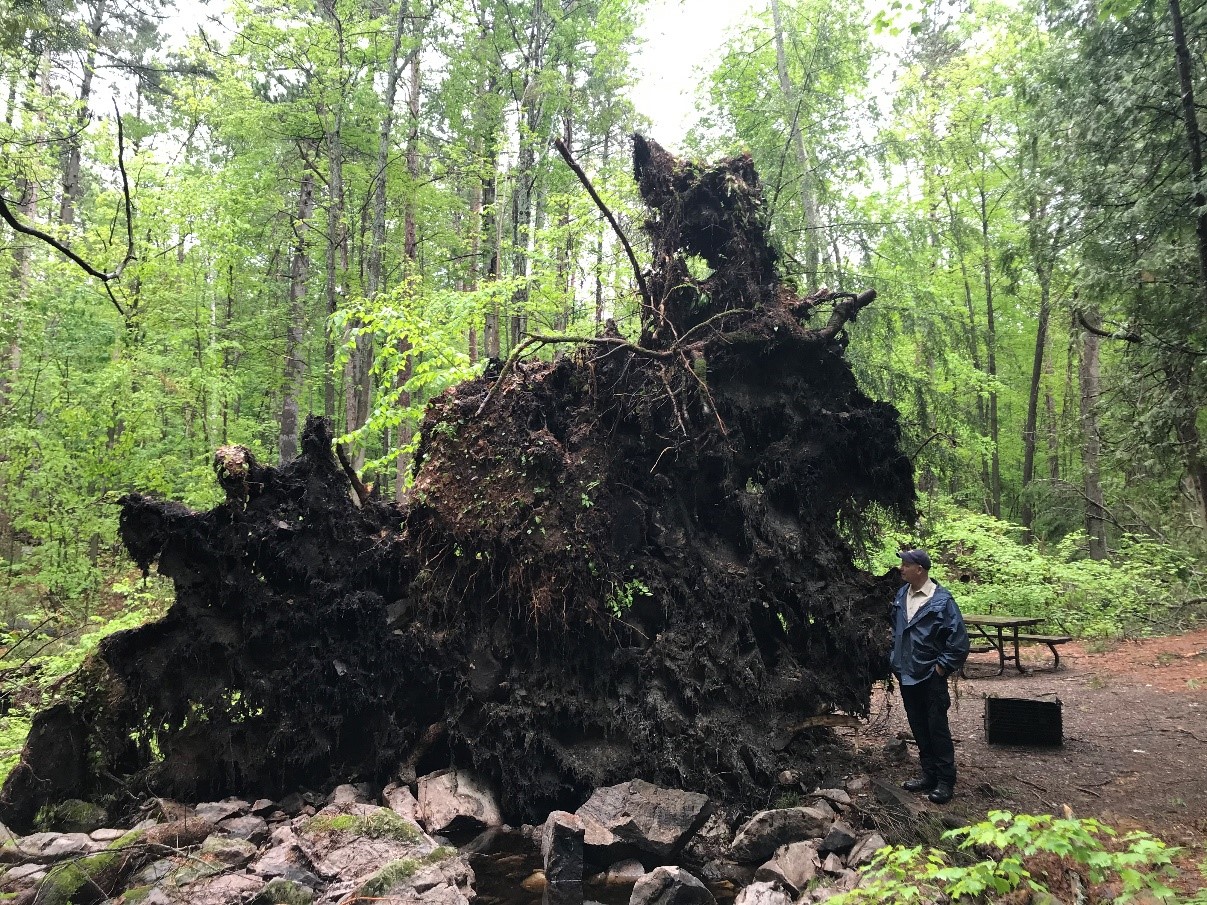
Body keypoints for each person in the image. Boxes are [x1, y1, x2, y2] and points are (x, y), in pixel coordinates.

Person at [890, 548, 970, 805]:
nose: (901, 568)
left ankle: (946, 781)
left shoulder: (942, 601)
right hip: (906, 674)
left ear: (919, 570)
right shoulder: (902, 595)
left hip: (930, 676)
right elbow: (896, 629)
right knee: (918, 725)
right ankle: (929, 774)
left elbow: (959, 642)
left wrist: (941, 667)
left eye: (905, 565)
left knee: (937, 728)